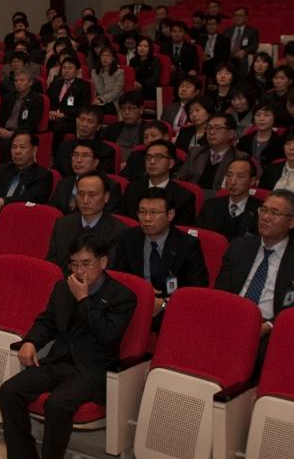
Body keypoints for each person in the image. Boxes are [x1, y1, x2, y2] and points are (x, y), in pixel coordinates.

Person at [0, 236, 136, 459]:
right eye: (74, 264)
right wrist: (31, 342)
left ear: (103, 262)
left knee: (57, 404)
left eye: (86, 264)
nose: (80, 271)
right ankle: (27, 458)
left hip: (92, 370)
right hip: (59, 361)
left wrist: (83, 299)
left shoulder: (122, 296)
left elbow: (106, 334)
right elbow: (47, 321)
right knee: (9, 391)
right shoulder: (63, 288)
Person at [214, 189, 294, 343]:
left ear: (291, 222)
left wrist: (269, 326)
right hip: (231, 317)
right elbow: (221, 289)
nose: (265, 217)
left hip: (272, 329)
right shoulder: (239, 246)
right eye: (263, 210)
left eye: (274, 213)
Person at [111, 188, 208, 325]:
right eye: (142, 212)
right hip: (133, 303)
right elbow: (119, 277)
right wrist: (142, 292)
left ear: (170, 214)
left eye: (154, 213)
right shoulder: (128, 238)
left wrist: (164, 304)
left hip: (170, 310)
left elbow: (197, 290)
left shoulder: (187, 245)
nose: (147, 219)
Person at [46, 173, 128, 269]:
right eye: (80, 194)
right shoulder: (62, 224)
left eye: (92, 195)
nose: (85, 200)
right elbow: (52, 264)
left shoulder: (119, 231)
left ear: (106, 197)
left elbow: (108, 270)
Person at [120, 139, 197, 225]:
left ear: (171, 163)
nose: (152, 162)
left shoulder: (184, 197)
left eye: (158, 157)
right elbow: (124, 223)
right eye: (148, 157)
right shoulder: (132, 188)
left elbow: (181, 234)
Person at [0, 132, 54, 213]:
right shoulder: (4, 169)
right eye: (14, 147)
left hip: (22, 216)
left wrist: (3, 201)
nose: (17, 151)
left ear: (34, 150)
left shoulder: (43, 175)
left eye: (23, 147)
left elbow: (30, 198)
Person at [195, 155, 261, 240]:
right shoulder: (210, 205)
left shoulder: (261, 211)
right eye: (229, 175)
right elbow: (197, 236)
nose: (232, 182)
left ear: (252, 181)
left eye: (240, 176)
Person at [51, 142, 122, 215]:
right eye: (75, 155)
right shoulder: (64, 183)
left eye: (85, 156)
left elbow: (109, 218)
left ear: (95, 163)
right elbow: (52, 211)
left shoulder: (110, 186)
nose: (78, 160)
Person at [176, 111, 237, 191]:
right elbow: (180, 179)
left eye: (217, 128)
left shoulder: (239, 158)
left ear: (231, 134)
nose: (211, 132)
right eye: (209, 128)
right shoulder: (195, 153)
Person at [0, 66, 44, 152]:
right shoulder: (8, 96)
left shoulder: (36, 99)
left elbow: (32, 124)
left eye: (22, 80)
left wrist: (12, 134)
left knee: (3, 145)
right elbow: (1, 117)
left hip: (22, 133)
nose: (18, 83)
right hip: (4, 131)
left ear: (30, 83)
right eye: (16, 81)